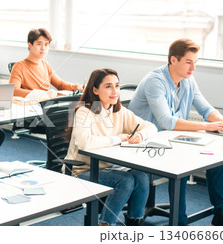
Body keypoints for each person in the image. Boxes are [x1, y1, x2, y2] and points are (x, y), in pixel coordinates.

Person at [128, 38, 223, 226]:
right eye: (188, 62)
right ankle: (180, 224)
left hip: (171, 139)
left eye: (195, 63)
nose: (193, 68)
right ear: (173, 60)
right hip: (146, 142)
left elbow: (205, 109)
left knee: (215, 159)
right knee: (182, 166)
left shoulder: (188, 80)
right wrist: (207, 126)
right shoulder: (155, 81)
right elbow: (166, 121)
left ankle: (221, 214)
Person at [65, 68, 158, 226]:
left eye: (117, 85)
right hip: (83, 170)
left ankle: (134, 223)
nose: (115, 91)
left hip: (110, 168)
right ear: (95, 90)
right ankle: (105, 226)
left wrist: (141, 135)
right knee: (126, 181)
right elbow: (84, 143)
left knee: (141, 177)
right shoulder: (84, 112)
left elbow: (151, 127)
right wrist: (118, 139)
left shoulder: (119, 112)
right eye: (108, 86)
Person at [9, 28, 83, 98]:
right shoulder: (19, 66)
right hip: (32, 105)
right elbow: (13, 91)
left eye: (46, 44)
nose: (43, 48)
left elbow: (60, 84)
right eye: (39, 44)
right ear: (30, 45)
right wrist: (42, 94)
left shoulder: (45, 64)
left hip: (47, 103)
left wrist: (77, 87)